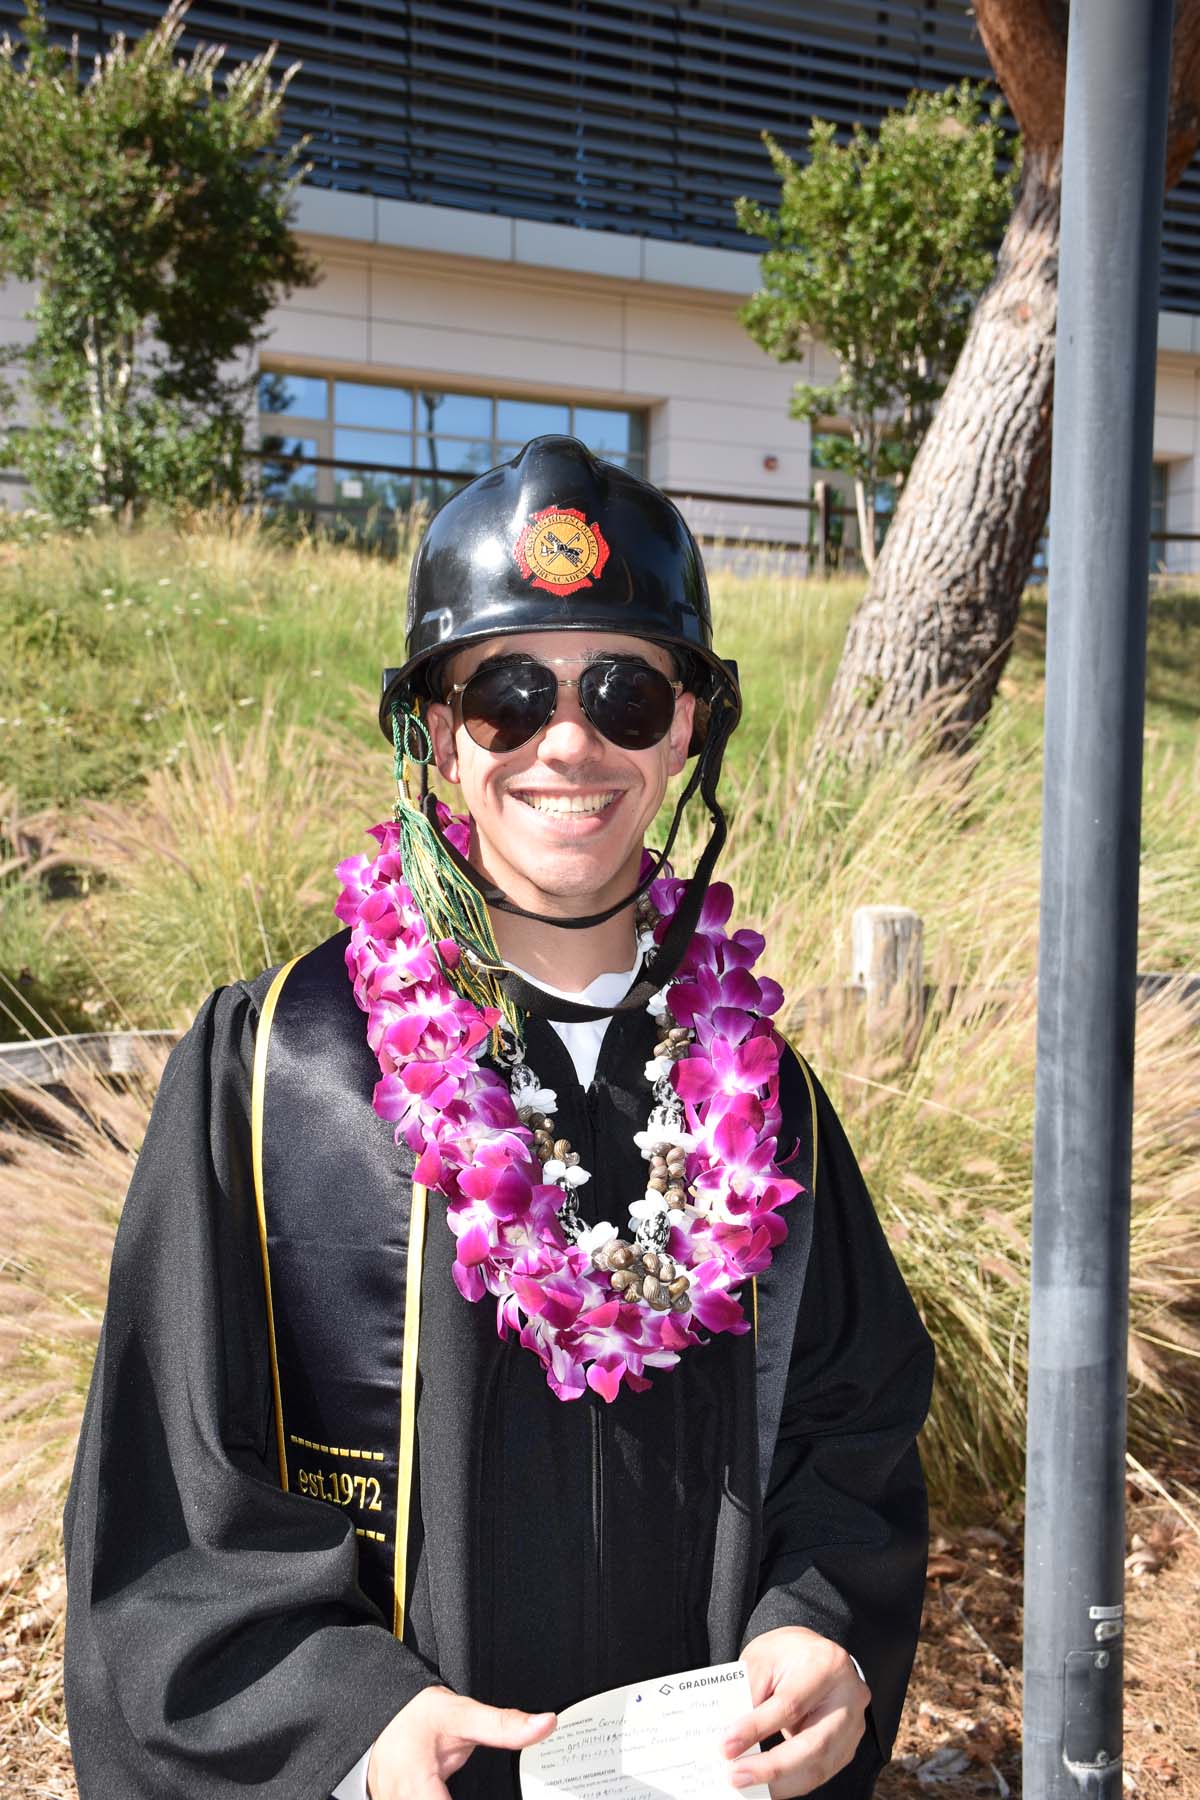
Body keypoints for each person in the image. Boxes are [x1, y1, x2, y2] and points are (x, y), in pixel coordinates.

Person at [64, 436, 933, 1800]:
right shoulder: (278, 1071)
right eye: (510, 693)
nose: (568, 742)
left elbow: (854, 1429)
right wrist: (342, 1719)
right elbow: (170, 1492)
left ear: (688, 728)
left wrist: (819, 1621)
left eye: (627, 693)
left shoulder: (766, 1108)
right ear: (436, 732)